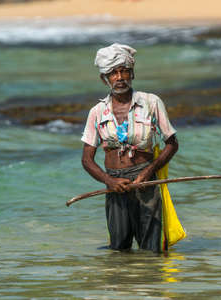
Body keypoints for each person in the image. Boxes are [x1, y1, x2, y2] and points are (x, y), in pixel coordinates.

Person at [81, 43, 179, 253]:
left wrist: (147, 172)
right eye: (112, 73)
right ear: (104, 79)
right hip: (114, 184)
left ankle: (150, 284)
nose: (119, 77)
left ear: (132, 73)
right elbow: (87, 160)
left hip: (145, 182)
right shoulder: (97, 112)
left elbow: (172, 144)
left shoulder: (151, 102)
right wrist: (109, 181)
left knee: (153, 250)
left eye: (124, 71)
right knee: (118, 251)